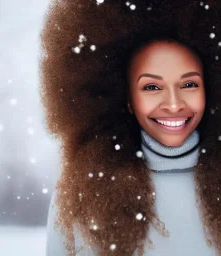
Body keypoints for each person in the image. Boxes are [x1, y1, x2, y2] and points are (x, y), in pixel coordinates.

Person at [39, 0, 221, 255]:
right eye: (152, 87)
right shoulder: (82, 193)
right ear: (127, 101)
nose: (173, 104)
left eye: (189, 85)